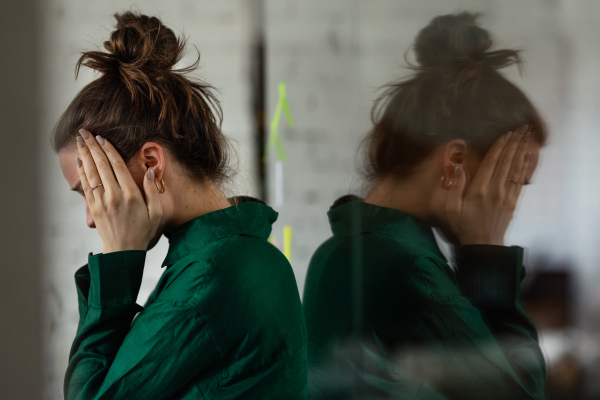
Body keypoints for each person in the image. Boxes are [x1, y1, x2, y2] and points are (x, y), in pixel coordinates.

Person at [53, 12, 307, 399]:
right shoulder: (225, 260)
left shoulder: (213, 277)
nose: (91, 217)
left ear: (152, 163)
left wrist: (119, 254)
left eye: (89, 190)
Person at [303, 13, 547, 400]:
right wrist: (488, 250)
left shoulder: (353, 247)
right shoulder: (400, 263)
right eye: (512, 181)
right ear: (455, 161)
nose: (510, 204)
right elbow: (524, 391)